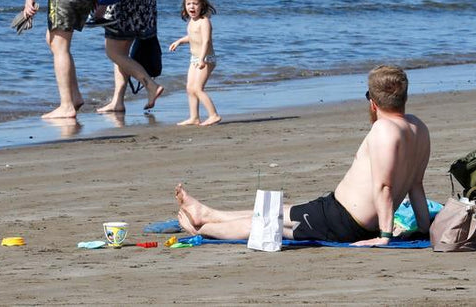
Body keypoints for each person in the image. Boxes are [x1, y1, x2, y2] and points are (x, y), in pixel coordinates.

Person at [174, 65, 431, 246]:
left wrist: (385, 236)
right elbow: (415, 186)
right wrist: (424, 229)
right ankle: (206, 213)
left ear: (372, 102)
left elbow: (384, 186)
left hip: (342, 220)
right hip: (339, 215)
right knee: (278, 212)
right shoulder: (418, 127)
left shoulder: (383, 129)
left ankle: (201, 228)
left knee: (265, 224)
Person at [168, 0, 220, 126]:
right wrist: (179, 41)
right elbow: (192, 37)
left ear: (202, 4)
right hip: (195, 59)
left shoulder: (204, 21)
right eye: (188, 3)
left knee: (197, 88)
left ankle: (213, 115)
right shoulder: (192, 21)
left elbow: (206, 41)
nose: (192, 7)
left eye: (195, 4)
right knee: (190, 88)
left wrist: (202, 59)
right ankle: (194, 117)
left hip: (206, 59)